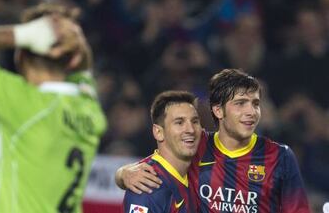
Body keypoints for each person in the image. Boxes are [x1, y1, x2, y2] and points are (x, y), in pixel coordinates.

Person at [0, 4, 107, 213]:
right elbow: (83, 65)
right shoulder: (89, 108)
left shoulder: (24, 102)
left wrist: (23, 34)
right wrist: (75, 39)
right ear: (73, 58)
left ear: (19, 55)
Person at [116, 69, 310, 213]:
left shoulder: (279, 156)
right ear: (218, 110)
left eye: (255, 104)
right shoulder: (196, 144)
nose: (251, 112)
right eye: (241, 103)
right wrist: (124, 174)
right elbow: (159, 167)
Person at [123, 90, 202, 213]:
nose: (190, 129)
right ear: (158, 132)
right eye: (179, 122)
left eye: (195, 121)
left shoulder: (198, 173)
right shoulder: (147, 186)